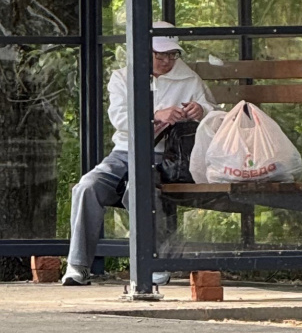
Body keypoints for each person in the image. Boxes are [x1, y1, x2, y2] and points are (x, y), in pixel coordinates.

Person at [62, 21, 214, 286]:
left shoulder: (189, 78)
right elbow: (120, 118)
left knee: (140, 188)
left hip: (166, 157)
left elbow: (213, 114)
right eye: (160, 55)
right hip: (124, 152)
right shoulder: (122, 77)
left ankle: (153, 261)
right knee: (87, 186)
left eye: (171, 54)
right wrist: (155, 116)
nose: (166, 61)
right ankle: (78, 265)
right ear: (144, 51)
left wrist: (200, 111)